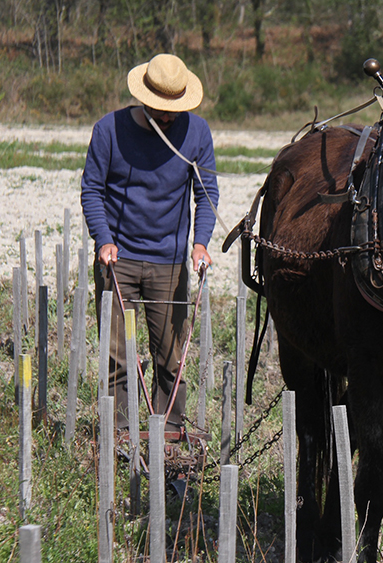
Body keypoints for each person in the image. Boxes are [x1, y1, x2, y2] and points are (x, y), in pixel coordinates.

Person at [81, 53, 218, 433]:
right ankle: (120, 438)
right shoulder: (109, 130)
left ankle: (169, 444)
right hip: (117, 261)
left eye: (175, 108)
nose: (168, 116)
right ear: (145, 98)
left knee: (171, 360)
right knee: (117, 359)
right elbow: (92, 189)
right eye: (161, 109)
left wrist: (200, 243)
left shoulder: (197, 133)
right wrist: (104, 240)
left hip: (169, 264)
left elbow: (206, 194)